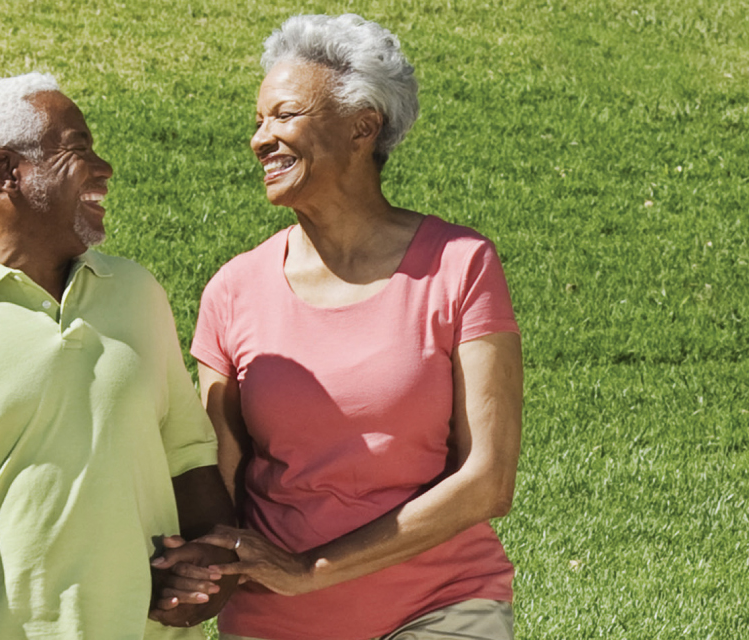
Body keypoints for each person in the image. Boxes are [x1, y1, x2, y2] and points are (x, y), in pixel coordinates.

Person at [155, 14, 526, 640]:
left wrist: (310, 568)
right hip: (274, 620)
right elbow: (214, 484)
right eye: (257, 121)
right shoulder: (233, 290)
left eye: (285, 115)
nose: (260, 139)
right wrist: (189, 568)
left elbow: (487, 479)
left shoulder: (459, 266)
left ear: (362, 127)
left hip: (441, 604)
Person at [0, 73, 238, 640]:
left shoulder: (136, 293)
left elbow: (189, 459)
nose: (104, 167)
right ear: (7, 172)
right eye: (78, 149)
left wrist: (211, 576)